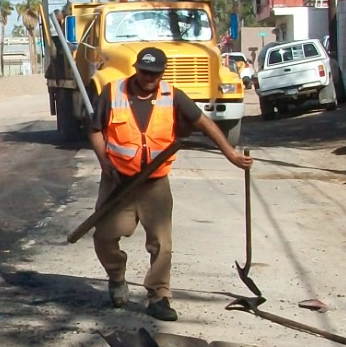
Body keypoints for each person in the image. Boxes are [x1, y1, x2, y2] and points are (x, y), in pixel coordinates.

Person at [87, 46, 252, 321]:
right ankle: (116, 276)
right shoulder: (113, 92)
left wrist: (230, 154)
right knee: (103, 237)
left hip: (155, 183)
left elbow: (205, 123)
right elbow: (95, 130)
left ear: (161, 74)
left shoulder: (171, 95)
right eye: (144, 72)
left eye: (154, 74)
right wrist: (105, 163)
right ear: (136, 69)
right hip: (118, 183)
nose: (148, 78)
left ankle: (159, 296)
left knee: (162, 244)